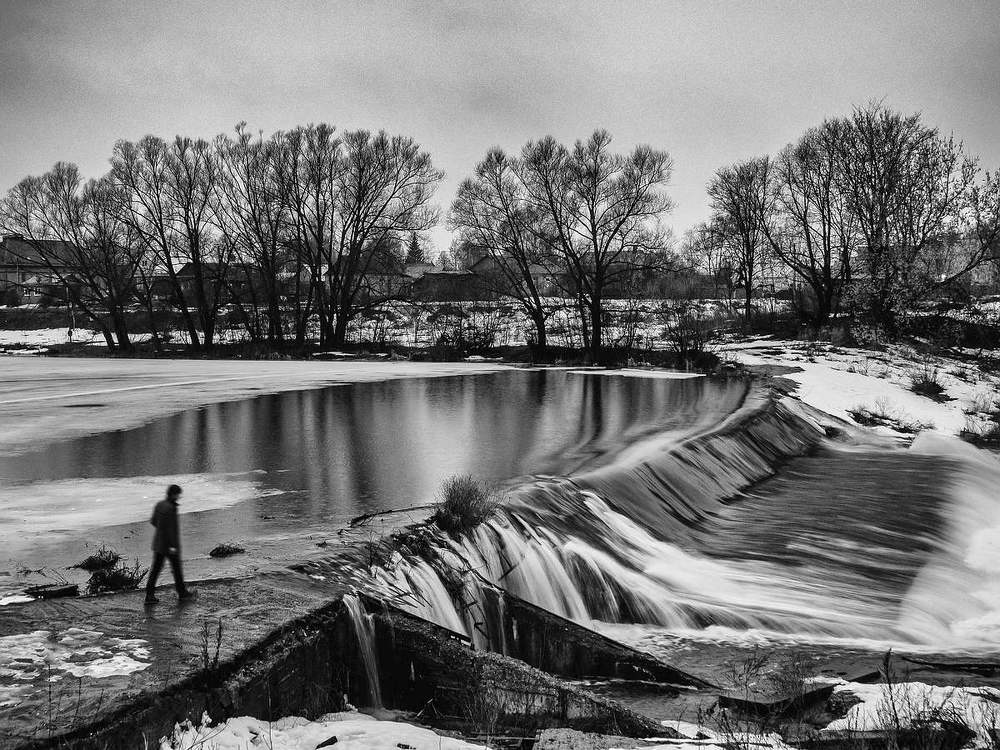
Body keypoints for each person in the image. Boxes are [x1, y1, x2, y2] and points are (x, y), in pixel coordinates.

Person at [145, 484, 194, 604]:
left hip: (158, 543)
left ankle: (149, 595)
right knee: (176, 569)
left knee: (156, 569)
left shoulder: (160, 505)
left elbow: (154, 521)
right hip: (169, 546)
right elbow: (171, 530)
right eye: (178, 494)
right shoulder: (171, 508)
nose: (179, 497)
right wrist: (173, 546)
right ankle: (182, 593)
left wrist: (161, 532)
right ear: (173, 494)